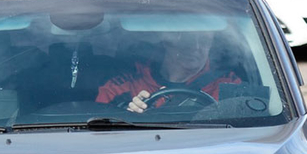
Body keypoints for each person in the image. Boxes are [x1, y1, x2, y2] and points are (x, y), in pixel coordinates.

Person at [96, 30, 239, 113]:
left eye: (204, 40)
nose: (195, 47)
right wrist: (128, 116)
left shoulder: (230, 86)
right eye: (187, 39)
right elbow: (100, 135)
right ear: (167, 40)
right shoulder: (121, 88)